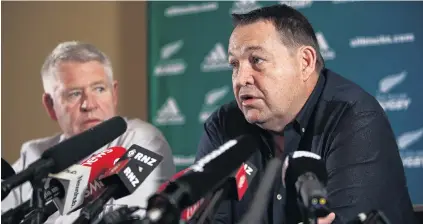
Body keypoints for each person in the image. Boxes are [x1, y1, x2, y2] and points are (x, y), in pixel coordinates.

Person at [194, 4, 417, 224]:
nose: (241, 78)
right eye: (234, 64)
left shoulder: (355, 118)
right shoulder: (222, 125)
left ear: (305, 62)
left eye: (256, 60)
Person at [1, 41, 176, 223]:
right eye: (74, 94)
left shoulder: (144, 141)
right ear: (50, 105)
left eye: (99, 89)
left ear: (114, 94)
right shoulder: (34, 154)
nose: (89, 105)